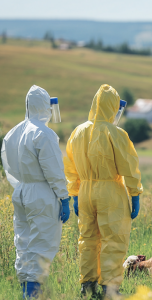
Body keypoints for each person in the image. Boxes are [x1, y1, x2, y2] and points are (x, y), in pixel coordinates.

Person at [64, 84, 143, 297]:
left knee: (87, 240)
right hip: (111, 192)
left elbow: (70, 168)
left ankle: (87, 287)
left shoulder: (78, 132)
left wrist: (74, 194)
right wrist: (135, 194)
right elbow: (129, 166)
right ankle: (110, 289)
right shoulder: (116, 133)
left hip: (85, 192)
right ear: (113, 107)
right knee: (113, 239)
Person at [1, 85, 71, 299]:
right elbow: (54, 170)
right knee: (40, 246)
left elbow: (7, 163)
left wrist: (22, 186)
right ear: (45, 106)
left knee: (23, 243)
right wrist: (64, 197)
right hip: (42, 194)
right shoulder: (44, 133)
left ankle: (25, 292)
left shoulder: (15, 131)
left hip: (21, 191)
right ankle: (32, 296)